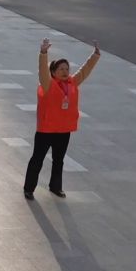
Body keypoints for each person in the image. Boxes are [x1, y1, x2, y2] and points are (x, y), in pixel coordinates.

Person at [23, 37, 100, 200]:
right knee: (37, 159)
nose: (65, 71)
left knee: (59, 161)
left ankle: (56, 187)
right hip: (46, 130)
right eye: (61, 69)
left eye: (67, 68)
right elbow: (42, 71)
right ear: (53, 72)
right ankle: (29, 188)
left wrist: (95, 56)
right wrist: (43, 53)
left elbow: (84, 71)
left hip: (64, 130)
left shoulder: (72, 83)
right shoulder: (47, 84)